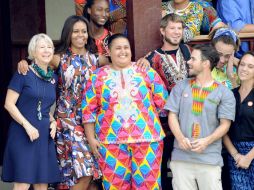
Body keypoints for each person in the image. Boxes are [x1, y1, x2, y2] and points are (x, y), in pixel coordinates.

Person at [18, 15, 102, 190]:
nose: (81, 35)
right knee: (84, 171)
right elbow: (38, 64)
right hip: (67, 121)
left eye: (84, 31)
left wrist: (143, 62)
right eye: (76, 31)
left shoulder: (96, 59)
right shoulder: (59, 58)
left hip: (92, 122)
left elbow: (121, 61)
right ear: (68, 34)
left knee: (87, 176)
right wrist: (24, 62)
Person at [82, 33, 168, 190]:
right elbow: (88, 110)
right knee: (115, 186)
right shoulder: (96, 76)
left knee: (148, 186)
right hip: (110, 142)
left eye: (126, 48)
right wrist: (91, 139)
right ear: (108, 51)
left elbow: (164, 104)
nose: (123, 51)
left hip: (148, 140)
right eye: (118, 48)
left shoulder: (146, 72)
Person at [165, 44, 236, 190]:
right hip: (181, 158)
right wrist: (180, 138)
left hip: (209, 159)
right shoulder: (180, 86)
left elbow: (225, 125)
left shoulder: (224, 93)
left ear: (205, 64)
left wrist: (206, 141)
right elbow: (172, 115)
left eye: (193, 59)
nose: (188, 62)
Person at [1, 33, 60, 190]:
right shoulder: (23, 73)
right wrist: (27, 125)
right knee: (23, 184)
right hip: (23, 134)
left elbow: (43, 107)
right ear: (33, 52)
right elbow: (9, 104)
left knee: (42, 184)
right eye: (42, 47)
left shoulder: (53, 78)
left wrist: (53, 122)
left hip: (43, 136)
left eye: (49, 47)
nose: (46, 50)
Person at [145, 13, 190, 190]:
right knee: (162, 164)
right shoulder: (151, 58)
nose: (177, 32)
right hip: (163, 122)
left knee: (184, 165)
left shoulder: (187, 51)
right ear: (162, 31)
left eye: (179, 28)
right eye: (172, 28)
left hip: (187, 118)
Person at [223, 51, 254, 190]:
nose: (244, 69)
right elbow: (223, 129)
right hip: (235, 154)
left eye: (250, 66)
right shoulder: (231, 95)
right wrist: (235, 155)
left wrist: (248, 157)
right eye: (242, 64)